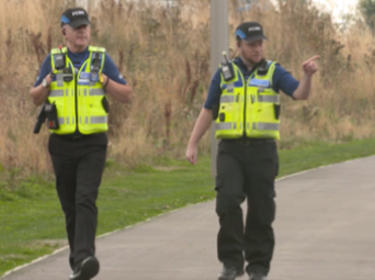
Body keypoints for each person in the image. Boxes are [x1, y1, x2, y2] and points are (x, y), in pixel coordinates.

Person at [185, 22, 318, 280]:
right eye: (251, 44)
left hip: (262, 151)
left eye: (260, 43)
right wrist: (192, 143)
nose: (257, 49)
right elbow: (209, 109)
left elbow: (300, 94)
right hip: (231, 151)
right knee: (227, 203)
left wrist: (308, 77)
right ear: (239, 45)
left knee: (261, 210)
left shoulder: (273, 71)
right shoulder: (224, 73)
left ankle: (258, 266)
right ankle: (231, 263)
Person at [29, 7, 132, 280]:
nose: (82, 31)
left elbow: (126, 94)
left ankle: (86, 255)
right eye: (76, 28)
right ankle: (79, 264)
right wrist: (46, 84)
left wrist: (106, 81)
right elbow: (35, 96)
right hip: (61, 143)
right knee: (70, 206)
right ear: (64, 31)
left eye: (85, 26)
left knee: (85, 198)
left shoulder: (100, 59)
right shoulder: (53, 60)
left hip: (93, 143)